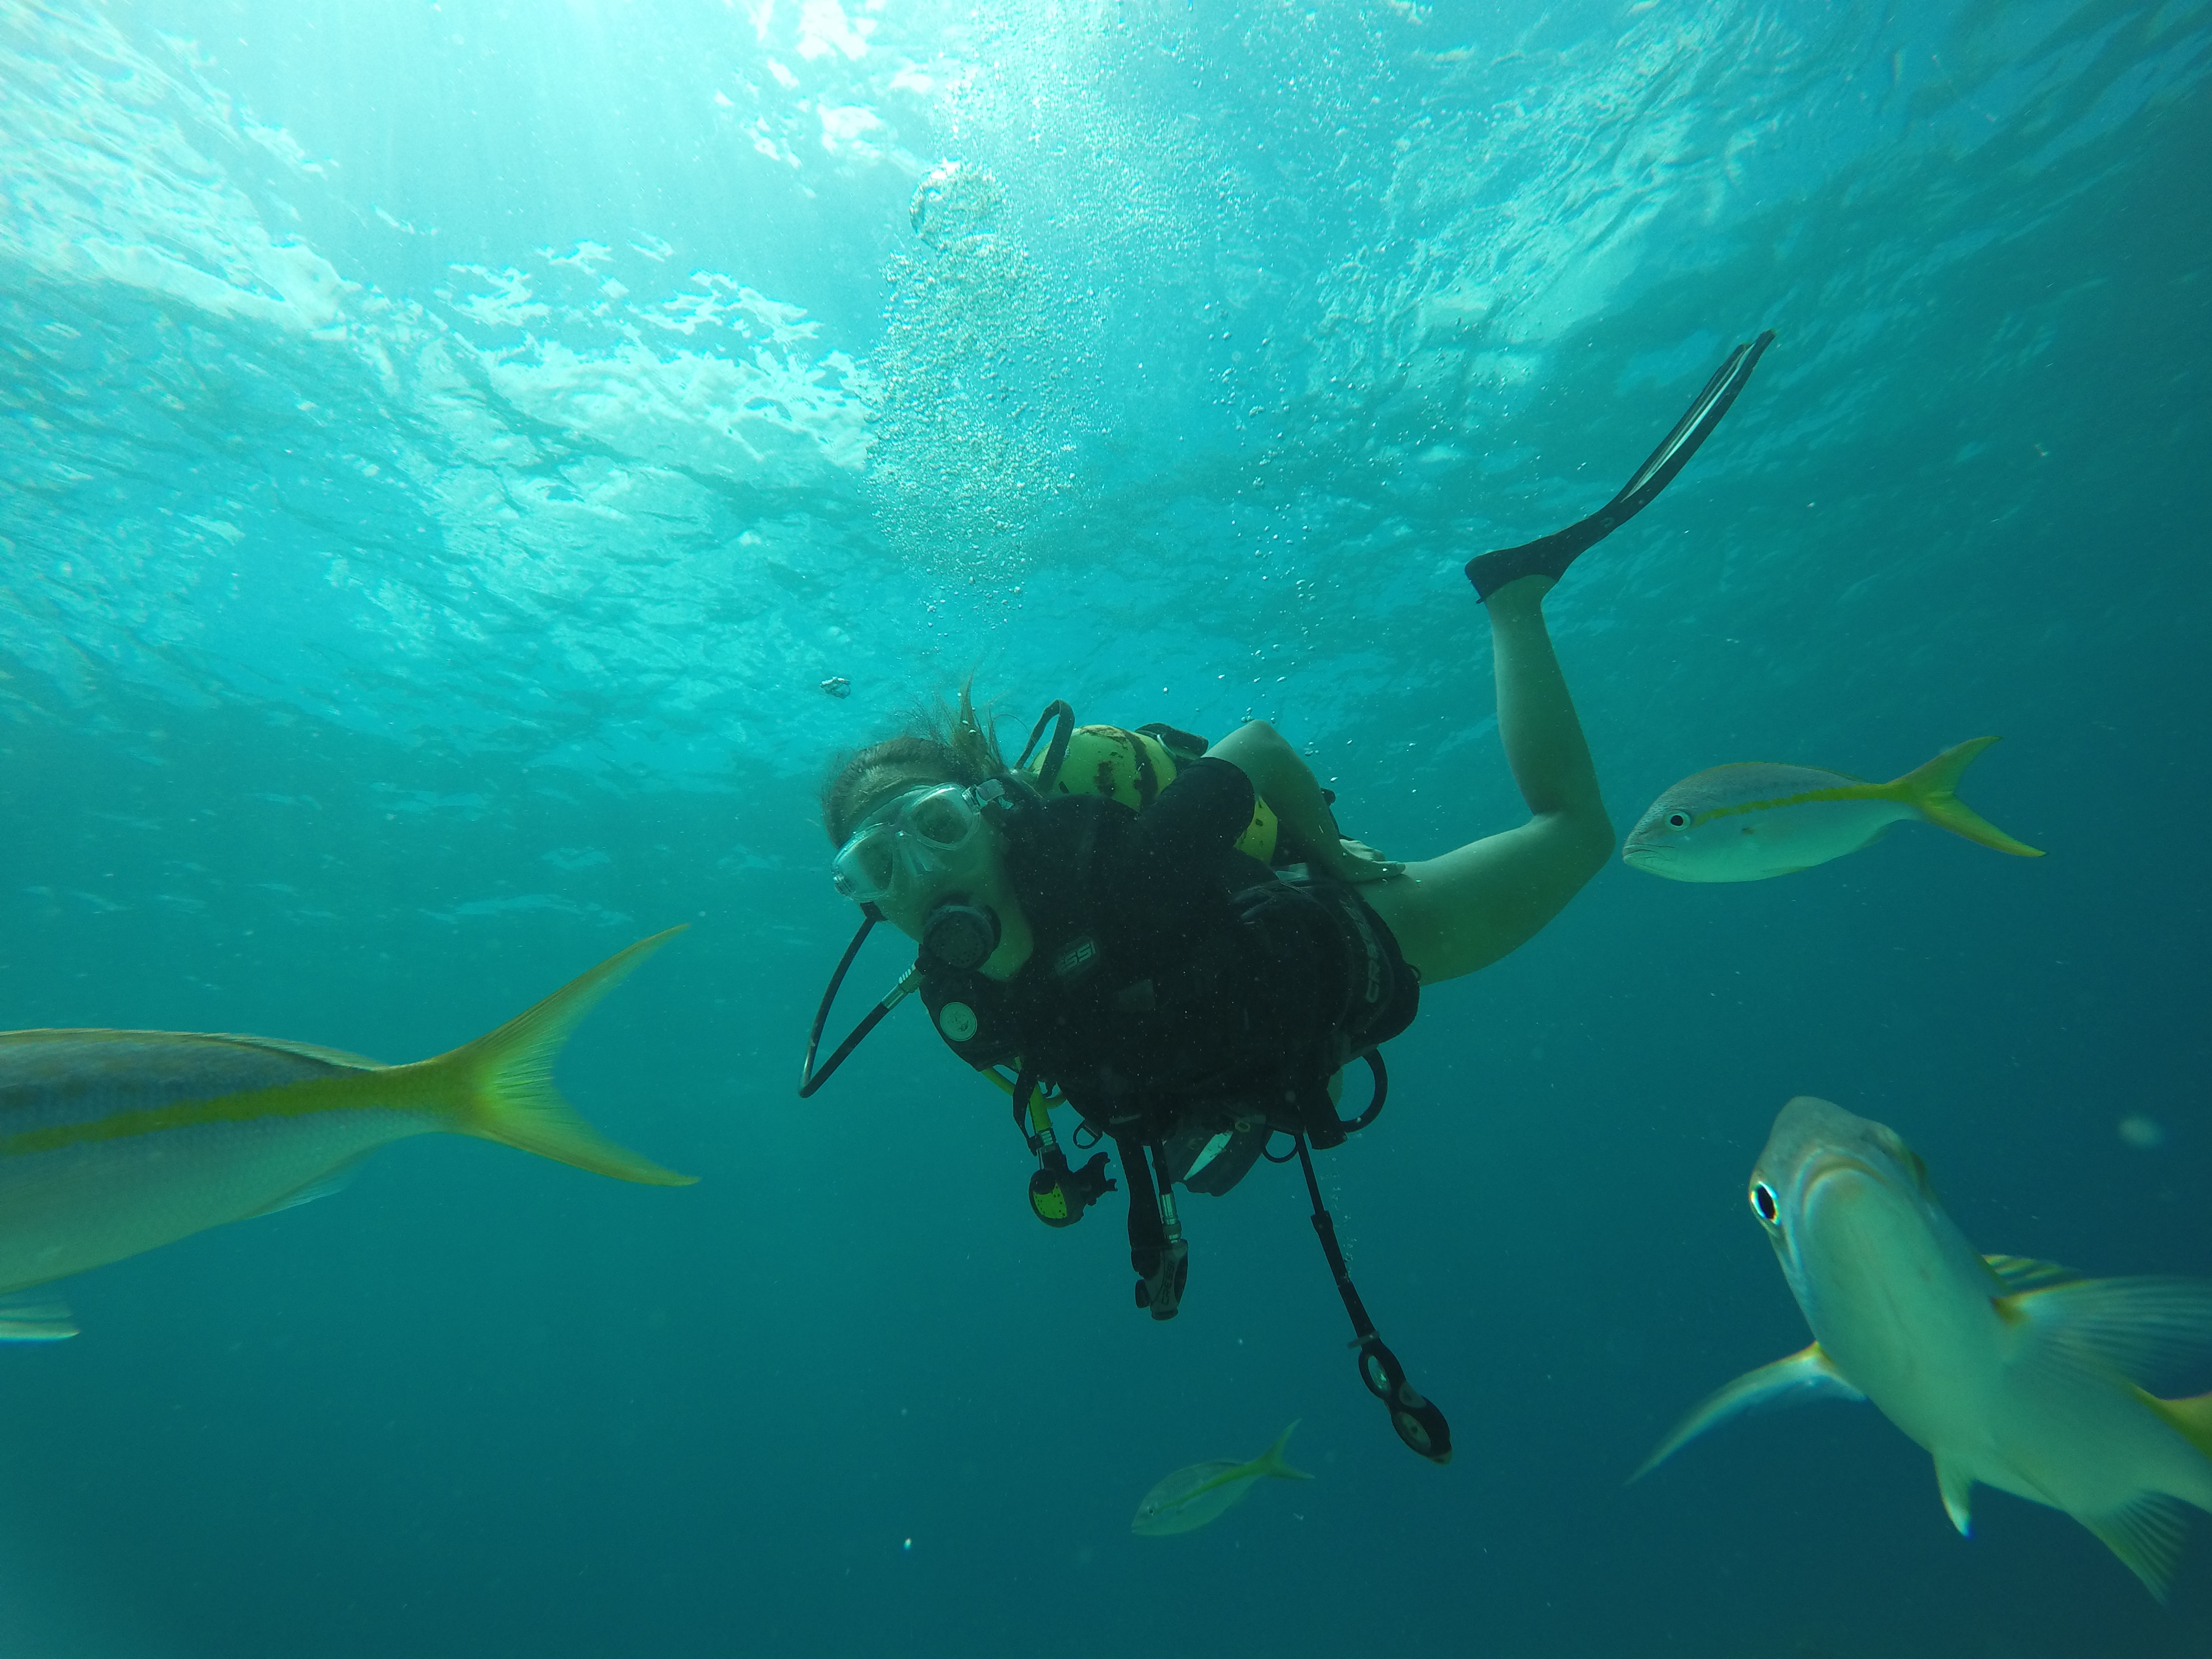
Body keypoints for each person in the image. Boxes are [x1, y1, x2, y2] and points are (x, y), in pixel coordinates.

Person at [800, 331, 1775, 1460]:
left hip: (1368, 938)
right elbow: (1092, 1082)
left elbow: (1255, 746)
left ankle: (1513, 600)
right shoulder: (959, 1010)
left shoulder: (1122, 866)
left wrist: (1334, 847)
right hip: (1259, 1050)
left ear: (989, 814)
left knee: (1578, 834)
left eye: (932, 828)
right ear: (863, 904)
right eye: (875, 868)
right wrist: (1154, 1207)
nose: (919, 874)